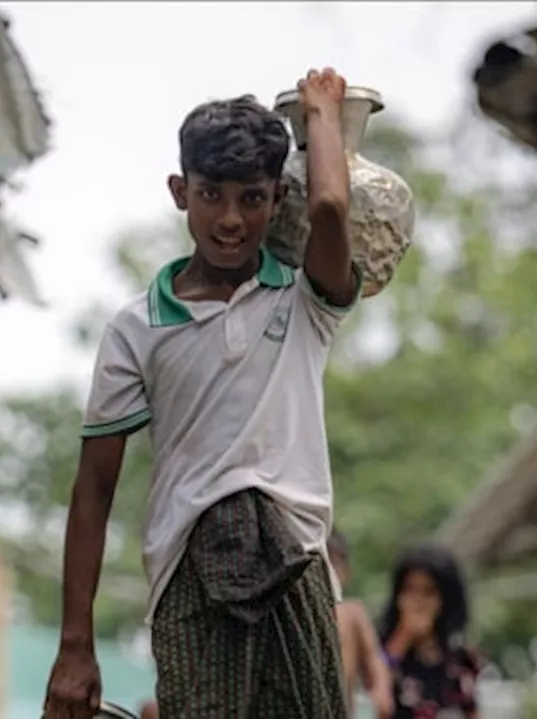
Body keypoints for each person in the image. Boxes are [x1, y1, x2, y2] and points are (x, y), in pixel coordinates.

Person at [43, 67, 360, 719]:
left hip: (296, 563)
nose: (230, 218)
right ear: (179, 191)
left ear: (277, 199)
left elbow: (329, 208)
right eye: (211, 194)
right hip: (189, 574)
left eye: (251, 198)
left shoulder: (304, 300)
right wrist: (76, 644)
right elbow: (93, 488)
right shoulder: (136, 328)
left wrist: (323, 113)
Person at [378, 545, 481, 719]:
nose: (417, 601)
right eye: (410, 590)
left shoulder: (460, 662)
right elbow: (374, 700)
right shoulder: (378, 649)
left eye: (428, 592)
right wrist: (403, 637)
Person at [327, 531, 395, 719]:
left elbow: (375, 661)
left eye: (333, 565)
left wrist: (380, 690)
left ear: (346, 573)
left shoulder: (351, 614)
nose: (326, 575)